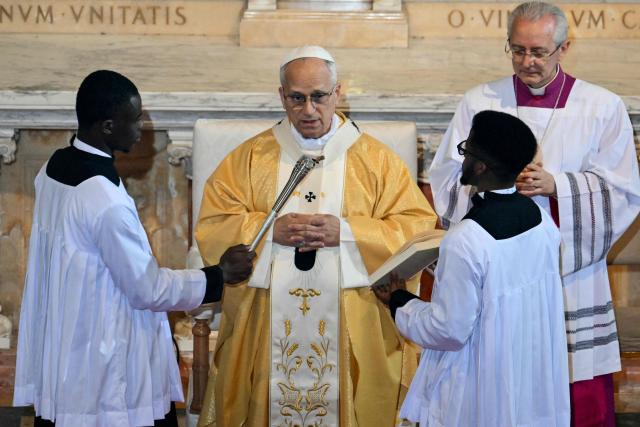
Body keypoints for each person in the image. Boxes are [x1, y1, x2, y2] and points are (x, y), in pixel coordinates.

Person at [195, 45, 437, 427]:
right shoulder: (251, 158)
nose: (308, 110)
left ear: (337, 93)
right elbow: (214, 222)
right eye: (297, 98)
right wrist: (269, 230)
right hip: (267, 316)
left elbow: (417, 228)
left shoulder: (375, 159)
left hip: (351, 315)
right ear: (282, 96)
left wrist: (349, 231)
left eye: (319, 97)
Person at [428, 2, 640, 425]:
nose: (528, 62)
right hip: (499, 273)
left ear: (563, 48)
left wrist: (557, 185)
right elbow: (448, 177)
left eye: (539, 51)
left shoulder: (601, 106)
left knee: (575, 389)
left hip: (569, 275)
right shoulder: (479, 102)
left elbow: (623, 191)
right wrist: (494, 180)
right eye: (518, 50)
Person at [13, 70, 256, 427]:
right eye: (136, 119)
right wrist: (218, 276)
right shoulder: (103, 199)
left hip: (68, 346)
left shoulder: (54, 167)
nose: (143, 128)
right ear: (108, 126)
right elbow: (148, 288)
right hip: (105, 360)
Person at [375, 110, 570, 426]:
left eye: (466, 151)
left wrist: (399, 301)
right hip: (527, 373)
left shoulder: (466, 239)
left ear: (480, 166)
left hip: (481, 381)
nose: (462, 159)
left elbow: (447, 330)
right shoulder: (540, 220)